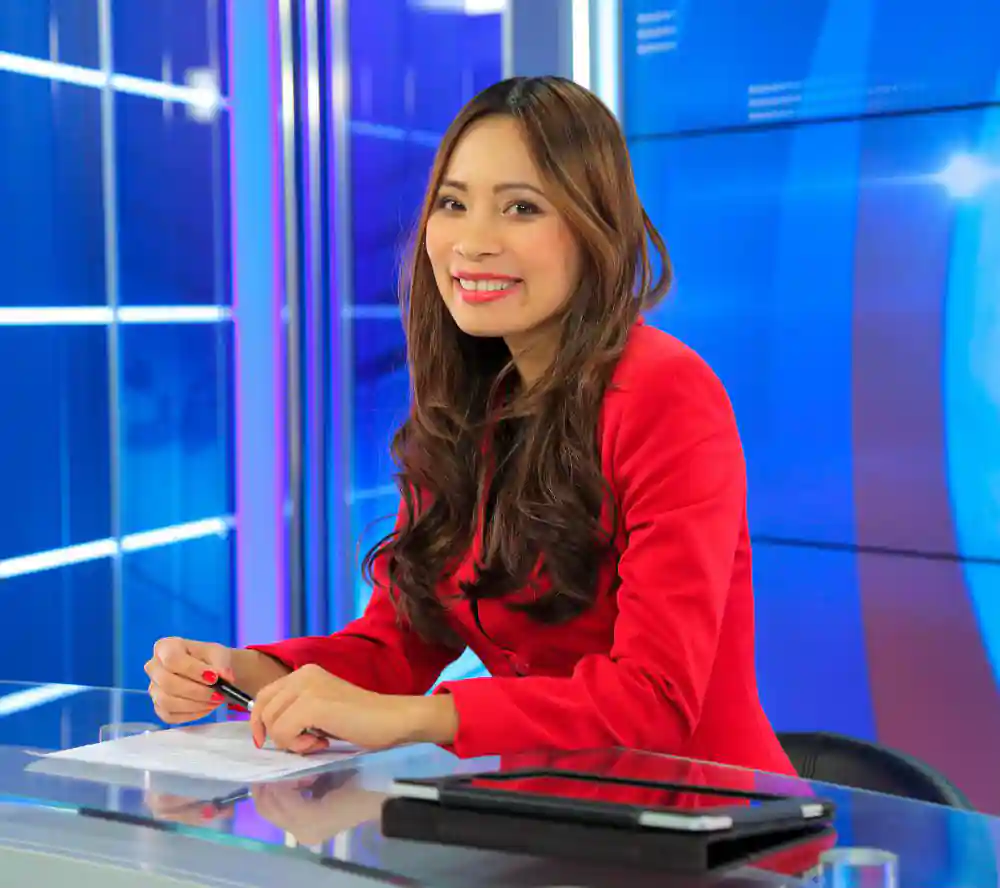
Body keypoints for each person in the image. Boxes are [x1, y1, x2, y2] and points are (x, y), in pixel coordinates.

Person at [146, 76, 795, 776]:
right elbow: (397, 647)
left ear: (592, 227)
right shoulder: (463, 408)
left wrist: (424, 717)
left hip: (708, 830)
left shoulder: (665, 391)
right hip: (538, 825)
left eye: (521, 207)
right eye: (453, 204)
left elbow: (656, 698)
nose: (473, 242)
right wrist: (251, 672)